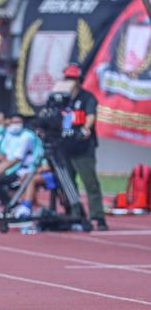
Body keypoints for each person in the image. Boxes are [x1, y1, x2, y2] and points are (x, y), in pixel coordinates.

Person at [59, 63, 108, 231]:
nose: (70, 81)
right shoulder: (61, 99)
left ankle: (98, 216)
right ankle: (75, 213)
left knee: (90, 182)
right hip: (64, 147)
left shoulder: (87, 97)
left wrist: (86, 129)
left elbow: (90, 116)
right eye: (68, 78)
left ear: (79, 80)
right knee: (68, 184)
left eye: (73, 78)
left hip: (82, 147)